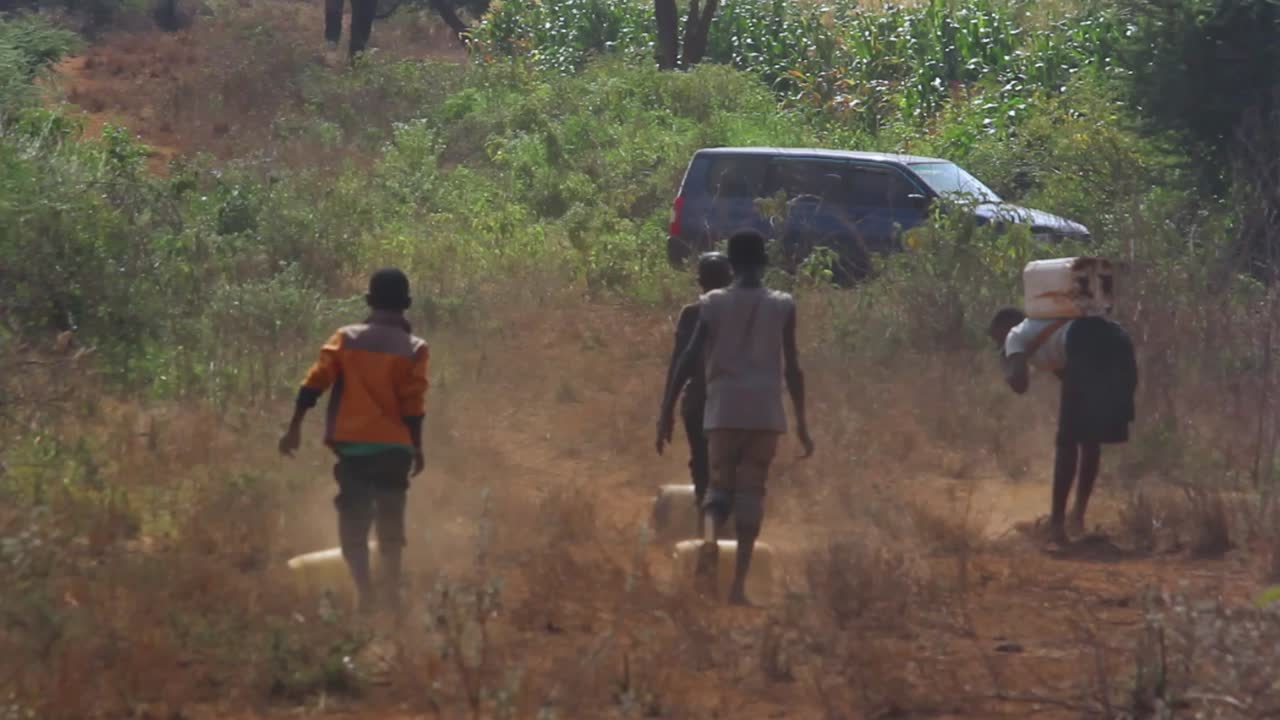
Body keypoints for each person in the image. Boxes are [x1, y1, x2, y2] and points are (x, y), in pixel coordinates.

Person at [657, 230, 814, 606]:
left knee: (718, 485)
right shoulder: (782, 304)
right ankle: (739, 584)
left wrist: (665, 411)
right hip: (765, 412)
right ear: (763, 263)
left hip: (722, 408)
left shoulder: (711, 304)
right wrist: (803, 424)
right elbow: (792, 367)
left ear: (732, 263)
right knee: (752, 490)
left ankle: (710, 540)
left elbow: (686, 358)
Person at [279, 268, 429, 614]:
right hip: (395, 451)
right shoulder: (415, 349)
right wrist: (417, 448)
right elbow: (413, 404)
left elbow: (313, 385)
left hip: (354, 450)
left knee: (354, 527)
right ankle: (390, 597)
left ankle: (364, 592)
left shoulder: (346, 339)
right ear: (407, 303)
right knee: (391, 530)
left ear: (367, 301)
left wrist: (294, 428)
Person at [988, 307, 1137, 546]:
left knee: (1067, 440)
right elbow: (1072, 378)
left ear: (1005, 326)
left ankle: (1057, 526)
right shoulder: (1050, 328)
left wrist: (1005, 365)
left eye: (995, 336)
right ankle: (1076, 517)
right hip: (1119, 340)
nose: (996, 342)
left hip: (1085, 342)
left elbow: (1019, 384)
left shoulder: (1015, 334)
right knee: (1089, 437)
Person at [661, 252, 733, 531]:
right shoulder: (742, 314)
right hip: (732, 403)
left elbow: (680, 364)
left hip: (700, 404)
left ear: (699, 282)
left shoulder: (692, 314)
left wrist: (665, 409)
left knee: (703, 469)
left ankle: (708, 534)